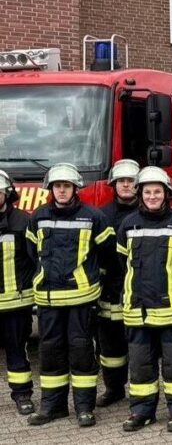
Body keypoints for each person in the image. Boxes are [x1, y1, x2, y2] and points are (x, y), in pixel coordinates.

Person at [26, 163, 114, 427]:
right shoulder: (38, 216)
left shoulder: (94, 217)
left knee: (82, 352)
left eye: (66, 186)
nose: (62, 190)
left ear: (76, 188)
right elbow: (32, 252)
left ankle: (84, 408)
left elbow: (108, 254)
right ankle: (52, 407)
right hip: (49, 299)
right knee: (50, 352)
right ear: (51, 189)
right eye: (57, 186)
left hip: (81, 300)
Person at [117, 166, 172, 432]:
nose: (152, 196)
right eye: (147, 192)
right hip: (138, 311)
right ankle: (142, 411)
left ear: (166, 194)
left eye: (157, 192)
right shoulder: (128, 224)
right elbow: (123, 263)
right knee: (141, 366)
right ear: (140, 194)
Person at [97, 159, 140, 408]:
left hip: (138, 289)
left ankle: (140, 390)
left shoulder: (146, 213)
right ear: (114, 184)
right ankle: (113, 388)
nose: (126, 185)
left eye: (131, 181)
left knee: (139, 345)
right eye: (122, 181)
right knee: (110, 346)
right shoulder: (102, 215)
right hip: (110, 289)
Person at [0, 170, 36, 415]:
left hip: (15, 303)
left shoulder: (23, 221)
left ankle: (22, 395)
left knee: (17, 352)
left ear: (7, 193)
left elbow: (35, 260)